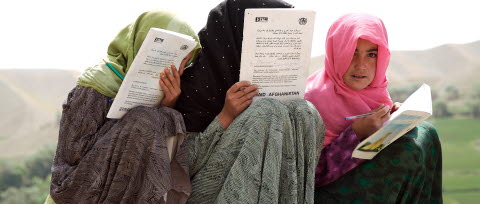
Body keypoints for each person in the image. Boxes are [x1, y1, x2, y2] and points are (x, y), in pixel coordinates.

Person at [174, 0, 324, 203]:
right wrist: (225, 117)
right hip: (207, 192)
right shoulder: (198, 86)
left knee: (305, 111)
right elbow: (181, 167)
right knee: (266, 111)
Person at [46, 10, 201, 203]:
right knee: (146, 119)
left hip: (125, 189)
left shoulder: (168, 89)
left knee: (168, 117)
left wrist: (167, 104)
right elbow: (72, 160)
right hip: (77, 192)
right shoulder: (96, 85)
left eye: (181, 62)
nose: (173, 69)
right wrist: (138, 122)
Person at [305, 13, 442, 203]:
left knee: (427, 132)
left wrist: (392, 118)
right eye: (352, 52)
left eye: (371, 54)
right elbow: (308, 176)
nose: (361, 65)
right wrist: (354, 134)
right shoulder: (312, 100)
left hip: (357, 177)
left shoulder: (375, 91)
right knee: (407, 150)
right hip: (322, 193)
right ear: (336, 53)